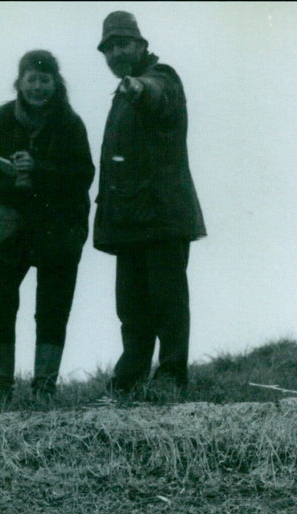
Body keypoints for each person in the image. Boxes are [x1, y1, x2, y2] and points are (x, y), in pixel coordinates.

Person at [93, 12, 206, 399]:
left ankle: (172, 374)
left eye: (122, 44)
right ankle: (131, 377)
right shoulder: (119, 97)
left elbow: (158, 93)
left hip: (162, 214)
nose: (115, 53)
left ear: (140, 45)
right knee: (131, 306)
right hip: (130, 219)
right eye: (108, 48)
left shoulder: (162, 76)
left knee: (168, 300)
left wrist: (140, 88)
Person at [0, 51, 95, 402]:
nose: (38, 87)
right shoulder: (2, 119)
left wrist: (37, 170)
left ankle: (44, 389)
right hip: (11, 226)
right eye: (32, 80)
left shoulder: (71, 123)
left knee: (53, 308)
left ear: (56, 84)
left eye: (45, 80)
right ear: (20, 82)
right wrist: (13, 182)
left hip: (59, 227)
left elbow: (83, 174)